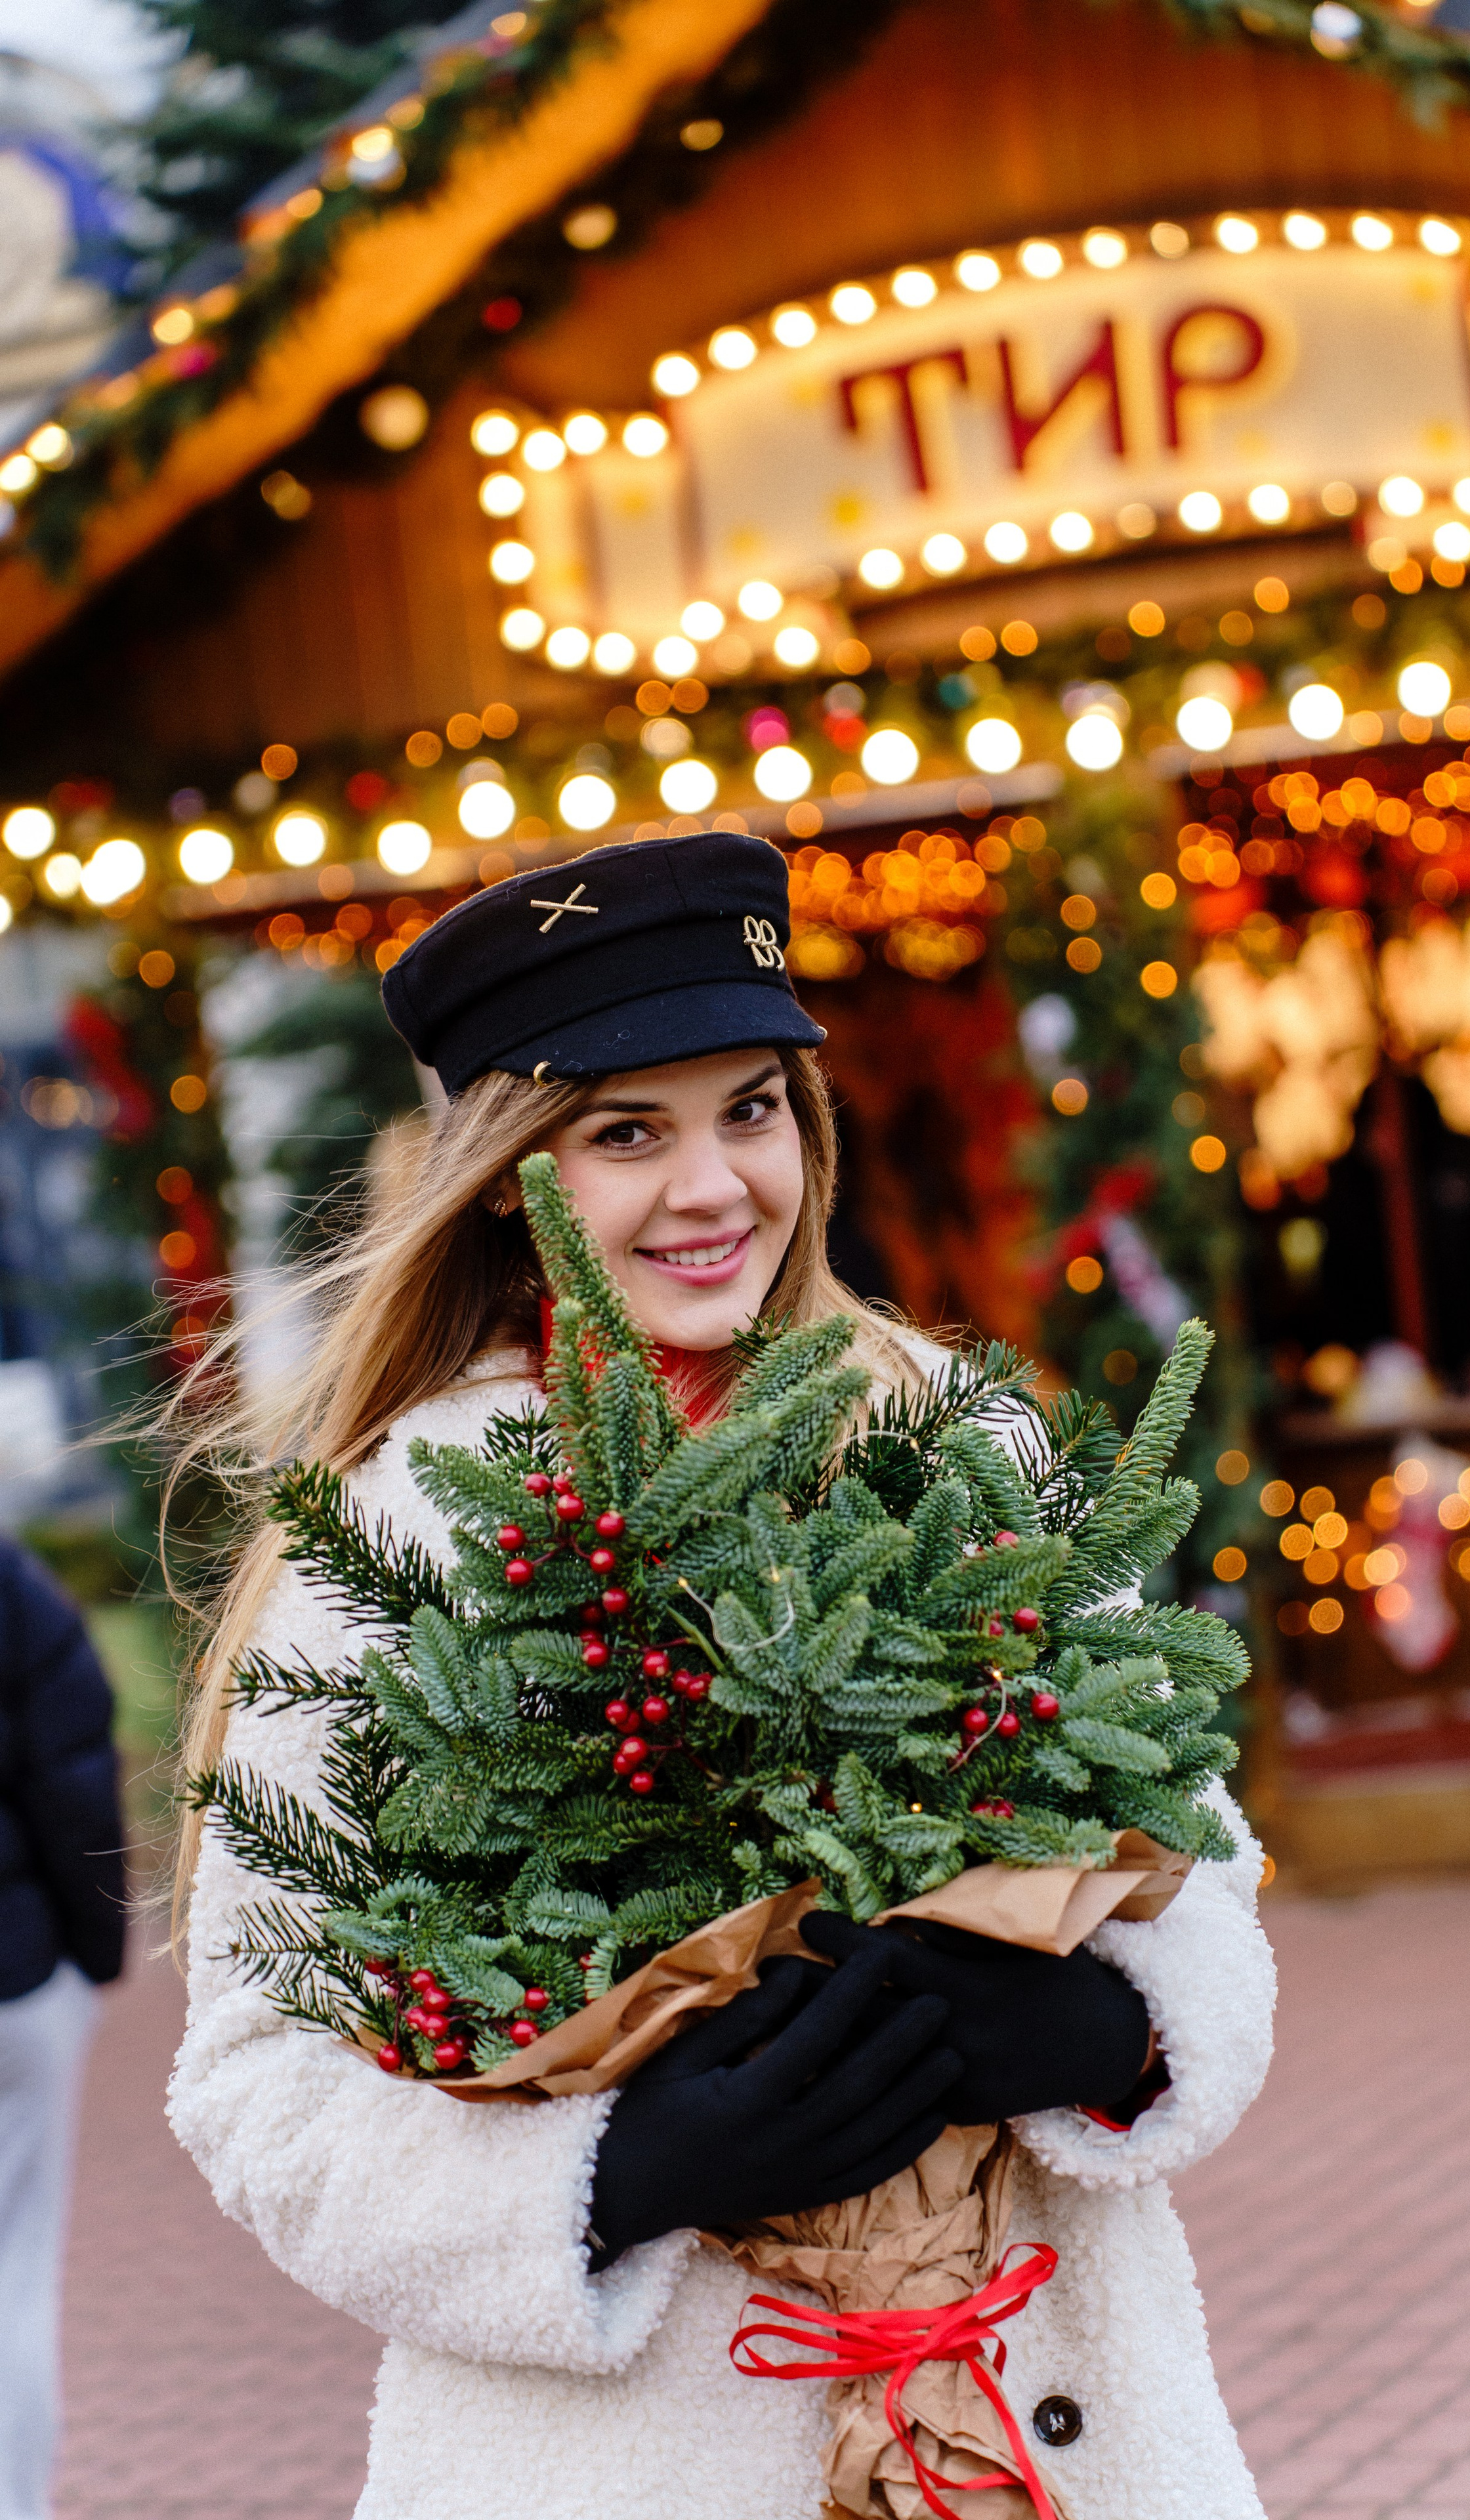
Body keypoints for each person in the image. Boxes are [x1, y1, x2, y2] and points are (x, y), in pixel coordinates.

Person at [167, 833, 1276, 2520]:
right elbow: (259, 2081)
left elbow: (1198, 1861)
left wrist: (1106, 2032)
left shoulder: (957, 1433)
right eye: (628, 1133)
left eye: (748, 1108)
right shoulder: (403, 1530)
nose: (711, 1188)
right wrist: (618, 2172)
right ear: (508, 1173)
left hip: (1042, 2428)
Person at [0, 1535, 126, 2520]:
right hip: (15, 1978)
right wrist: (98, 1944)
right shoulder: (6, 1583)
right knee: (14, 2274)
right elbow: (71, 1763)